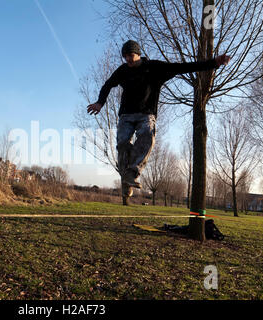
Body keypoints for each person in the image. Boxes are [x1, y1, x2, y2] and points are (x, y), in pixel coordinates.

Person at [87, 40, 230, 205]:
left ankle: (132, 173)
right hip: (126, 115)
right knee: (123, 144)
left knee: (147, 135)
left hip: (146, 115)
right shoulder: (123, 70)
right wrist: (100, 102)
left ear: (138, 53)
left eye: (130, 56)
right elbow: (107, 85)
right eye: (125, 57)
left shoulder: (155, 67)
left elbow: (182, 67)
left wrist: (213, 63)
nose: (128, 60)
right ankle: (126, 180)